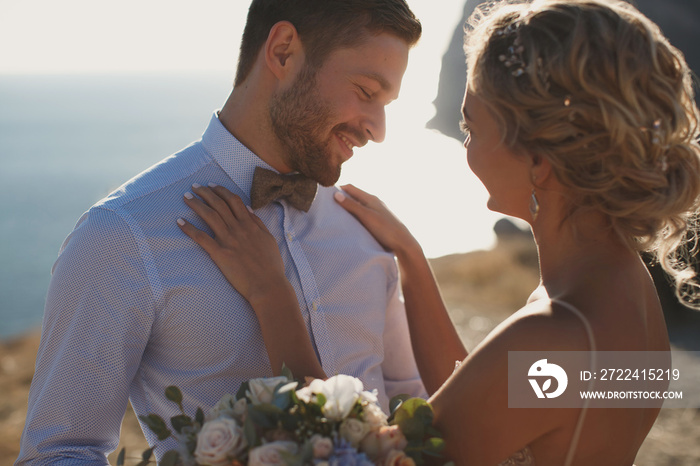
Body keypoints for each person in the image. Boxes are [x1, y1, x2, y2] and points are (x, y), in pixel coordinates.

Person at [176, 0, 700, 464]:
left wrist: (271, 294)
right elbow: (502, 401)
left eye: (471, 126)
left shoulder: (553, 333)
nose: (466, 145)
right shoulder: (624, 287)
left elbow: (363, 456)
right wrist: (413, 260)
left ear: (538, 160)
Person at [17, 1, 426, 464]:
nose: (378, 129)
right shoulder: (124, 235)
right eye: (365, 90)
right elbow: (58, 451)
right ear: (284, 51)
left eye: (385, 103)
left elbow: (412, 407)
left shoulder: (365, 226)